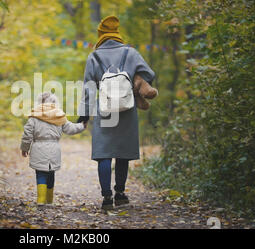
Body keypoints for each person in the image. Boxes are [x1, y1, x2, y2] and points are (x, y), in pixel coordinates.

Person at [78, 15, 156, 210]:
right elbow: (150, 75)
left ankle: (106, 197)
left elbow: (89, 88)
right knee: (123, 152)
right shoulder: (131, 53)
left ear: (101, 35)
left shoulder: (94, 56)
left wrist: (84, 116)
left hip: (105, 110)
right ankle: (120, 194)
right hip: (127, 109)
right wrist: (135, 82)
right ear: (117, 34)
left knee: (104, 153)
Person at [21, 92, 87, 206]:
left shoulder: (34, 116)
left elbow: (27, 134)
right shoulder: (59, 116)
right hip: (54, 148)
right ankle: (49, 200)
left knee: (41, 174)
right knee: (51, 173)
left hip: (38, 147)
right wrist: (82, 126)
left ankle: (41, 200)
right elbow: (70, 128)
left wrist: (24, 148)